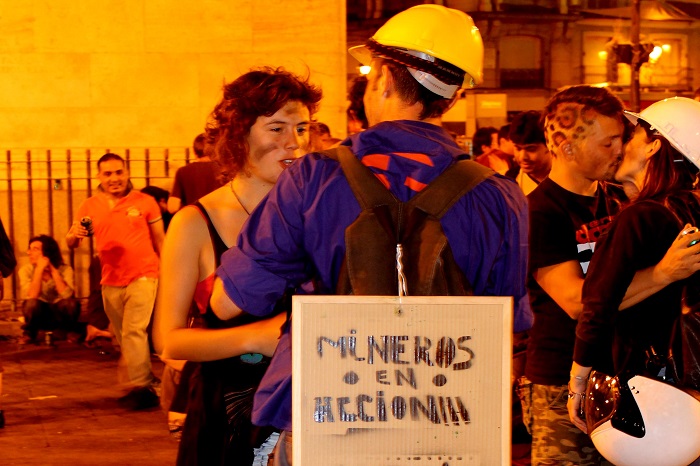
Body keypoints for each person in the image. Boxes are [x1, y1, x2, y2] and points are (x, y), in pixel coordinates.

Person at [210, 5, 531, 465]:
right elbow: (508, 325)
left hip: (330, 415)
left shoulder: (312, 179)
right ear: (454, 96)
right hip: (448, 423)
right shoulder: (501, 195)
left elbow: (231, 301)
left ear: (381, 77)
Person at [154, 67, 322, 465]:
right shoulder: (195, 222)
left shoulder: (319, 214)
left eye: (302, 128)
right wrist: (254, 337)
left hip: (307, 409)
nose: (294, 143)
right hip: (225, 416)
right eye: (277, 129)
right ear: (238, 133)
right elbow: (170, 340)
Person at [521, 86, 694, 465]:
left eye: (622, 139)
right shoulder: (540, 211)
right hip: (559, 378)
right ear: (567, 148)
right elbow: (576, 301)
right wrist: (663, 274)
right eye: (608, 143)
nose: (619, 150)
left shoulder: (617, 198)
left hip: (619, 375)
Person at [568, 98, 700, 462]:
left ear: (655, 145)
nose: (624, 145)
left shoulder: (640, 219)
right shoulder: (692, 211)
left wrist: (578, 386)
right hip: (690, 389)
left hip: (645, 391)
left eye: (633, 134)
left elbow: (596, 306)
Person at [66, 153, 165, 410]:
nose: (114, 178)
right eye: (108, 174)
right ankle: (150, 384)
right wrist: (73, 235)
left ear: (127, 172)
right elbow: (72, 241)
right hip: (110, 280)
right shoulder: (89, 205)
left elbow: (161, 241)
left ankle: (142, 386)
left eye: (119, 172)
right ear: (99, 177)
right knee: (123, 337)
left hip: (144, 274)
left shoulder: (145, 202)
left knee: (134, 331)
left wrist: (169, 276)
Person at [18, 234, 79, 344]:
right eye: (29, 249)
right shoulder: (25, 270)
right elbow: (32, 296)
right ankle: (29, 334)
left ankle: (70, 331)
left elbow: (67, 295)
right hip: (40, 314)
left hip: (59, 314)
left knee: (71, 303)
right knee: (31, 304)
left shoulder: (66, 269)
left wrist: (52, 270)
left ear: (47, 252)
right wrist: (39, 269)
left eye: (35, 249)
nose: (29, 252)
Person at [167, 133, 224, 214]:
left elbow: (172, 207)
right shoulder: (225, 171)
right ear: (216, 150)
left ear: (195, 152)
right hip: (220, 221)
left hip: (194, 221)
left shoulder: (183, 171)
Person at [509, 110, 552, 195]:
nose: (522, 157)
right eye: (518, 149)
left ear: (549, 145)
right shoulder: (508, 182)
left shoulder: (570, 180)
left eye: (531, 149)